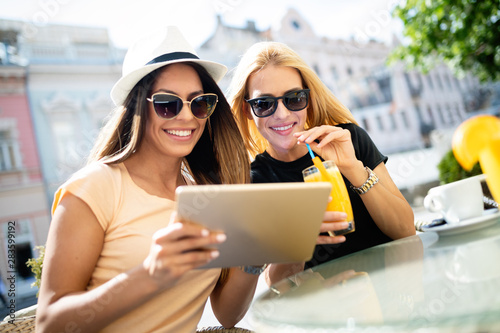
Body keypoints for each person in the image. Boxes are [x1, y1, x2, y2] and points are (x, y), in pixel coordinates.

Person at [36, 26, 260, 333]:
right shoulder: (94, 188)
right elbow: (48, 325)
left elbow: (227, 315)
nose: (186, 117)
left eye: (199, 103)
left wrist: (258, 254)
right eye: (167, 103)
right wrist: (150, 275)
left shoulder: (206, 195)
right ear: (137, 109)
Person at [228, 41, 415, 285]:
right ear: (247, 110)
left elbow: (405, 230)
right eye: (264, 104)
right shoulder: (256, 181)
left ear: (308, 97)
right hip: (329, 312)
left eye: (294, 98)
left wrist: (353, 168)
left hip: (395, 288)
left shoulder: (349, 140)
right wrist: (297, 244)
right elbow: (276, 285)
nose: (282, 114)